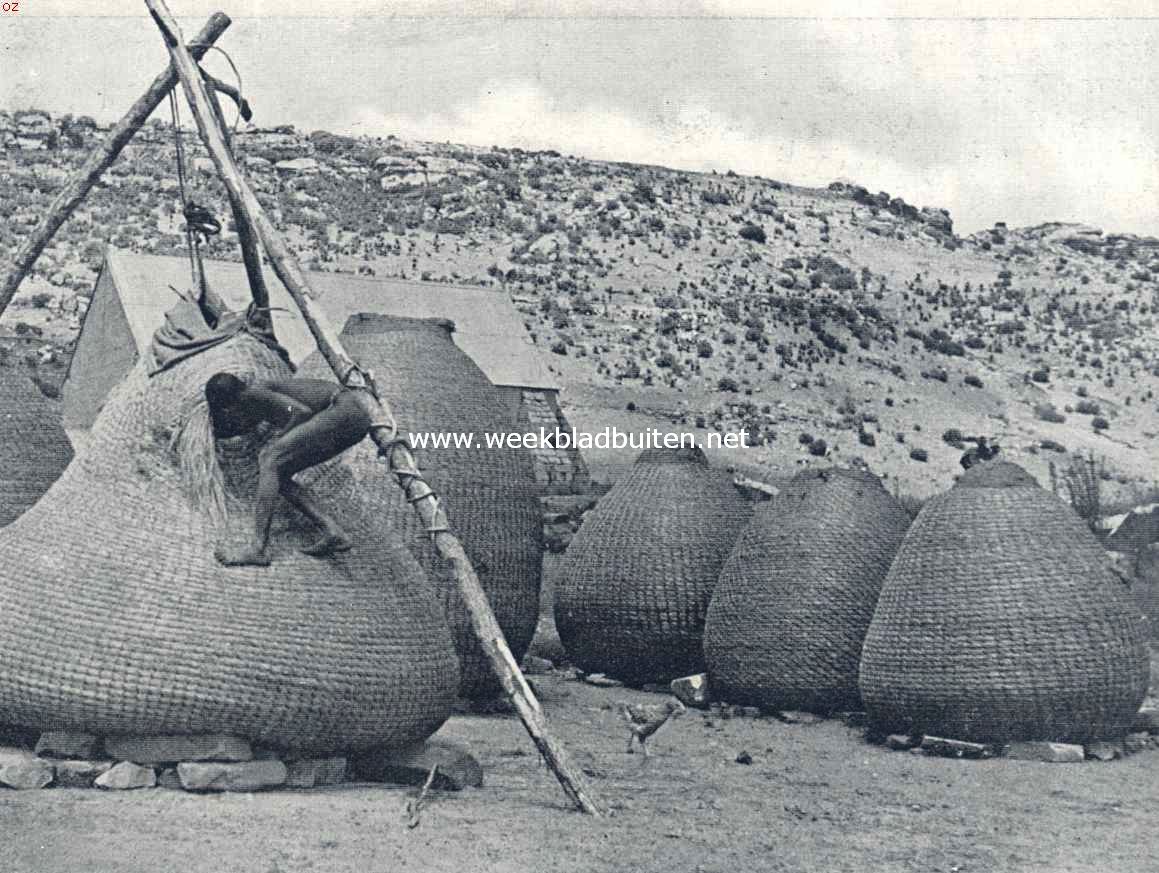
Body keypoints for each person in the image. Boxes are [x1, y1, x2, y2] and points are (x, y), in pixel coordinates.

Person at [204, 372, 374, 566]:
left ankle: (257, 548)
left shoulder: (254, 392)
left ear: (233, 401)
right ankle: (332, 530)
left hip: (342, 409)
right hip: (350, 418)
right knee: (279, 476)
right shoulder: (251, 401)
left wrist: (281, 438)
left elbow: (300, 411)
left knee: (269, 458)